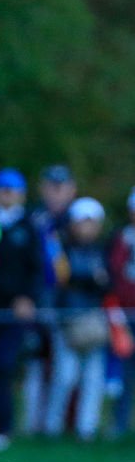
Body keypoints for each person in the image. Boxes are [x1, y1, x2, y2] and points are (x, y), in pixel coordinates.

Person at [0, 169, 43, 446]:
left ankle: (1, 427)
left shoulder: (29, 226)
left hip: (14, 309)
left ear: (21, 194)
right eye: (2, 189)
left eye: (12, 190)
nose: (7, 195)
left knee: (2, 365)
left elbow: (38, 268)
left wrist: (28, 297)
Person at [44, 197, 110, 441]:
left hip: (93, 322)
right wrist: (91, 276)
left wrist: (88, 277)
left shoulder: (101, 249)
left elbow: (107, 281)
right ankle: (52, 429)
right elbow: (61, 278)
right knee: (65, 377)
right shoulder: (61, 245)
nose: (87, 227)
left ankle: (86, 430)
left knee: (93, 379)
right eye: (83, 222)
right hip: (67, 321)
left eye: (92, 222)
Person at [22, 165, 77, 434]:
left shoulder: (78, 220)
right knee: (34, 364)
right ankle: (33, 427)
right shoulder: (33, 217)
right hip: (36, 302)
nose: (55, 193)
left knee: (64, 370)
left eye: (61, 186)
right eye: (51, 186)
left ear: (71, 189)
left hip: (67, 307)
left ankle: (54, 428)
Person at [105, 187, 135, 436]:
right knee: (123, 376)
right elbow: (114, 276)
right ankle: (119, 426)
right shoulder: (121, 238)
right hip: (124, 315)